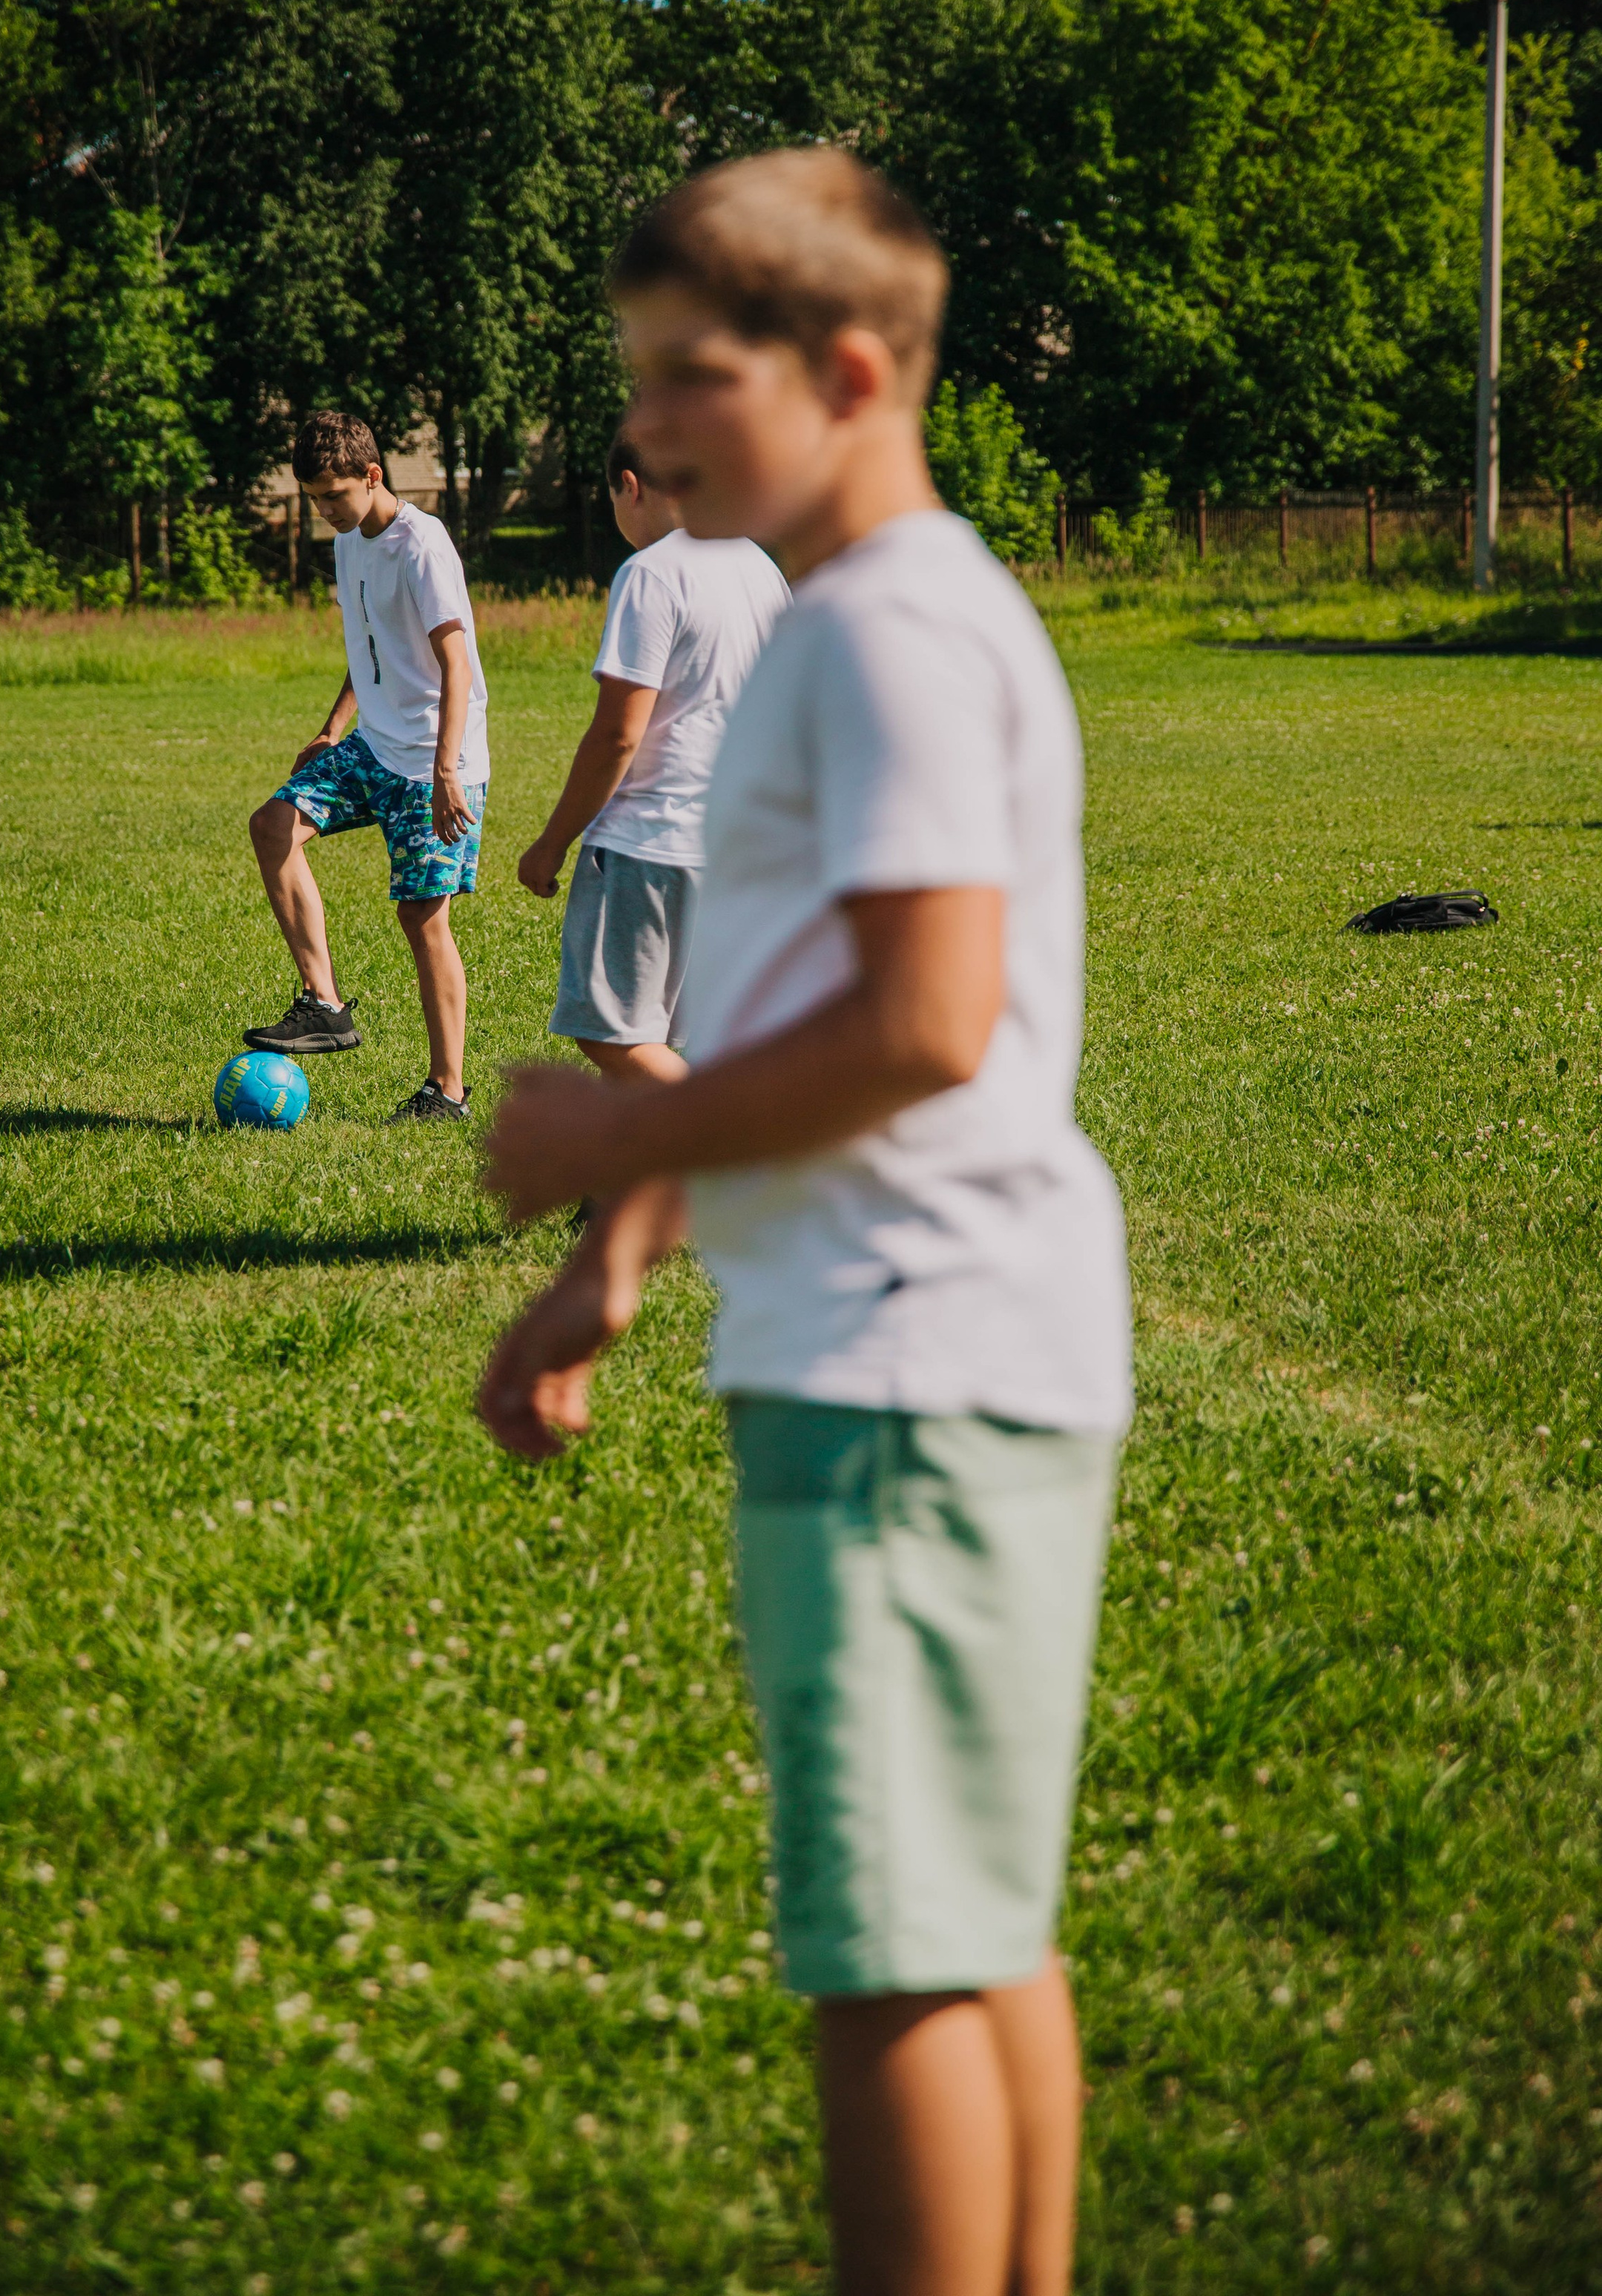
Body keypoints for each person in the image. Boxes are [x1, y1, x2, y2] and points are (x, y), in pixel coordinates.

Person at [475, 150, 1133, 2296]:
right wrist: (618, 1261)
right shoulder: (861, 621)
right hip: (928, 1355)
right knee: (974, 1931)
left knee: (896, 1968)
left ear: (850, 369)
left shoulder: (896, 631)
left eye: (690, 380)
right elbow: (797, 1011)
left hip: (902, 1370)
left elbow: (929, 1022)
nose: (650, 431)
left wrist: (588, 1140)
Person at [518, 426, 789, 1087]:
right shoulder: (760, 566)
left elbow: (618, 735)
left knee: (610, 1035)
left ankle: (738, 1147)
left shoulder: (651, 573)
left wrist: (552, 842)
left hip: (651, 844)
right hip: (735, 845)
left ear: (631, 486)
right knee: (671, 1041)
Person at [245, 409, 489, 1124]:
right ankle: (324, 1005)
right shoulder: (351, 540)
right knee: (273, 827)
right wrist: (331, 729)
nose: (324, 512)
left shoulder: (423, 546)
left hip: (430, 762)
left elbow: (456, 661)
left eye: (332, 496)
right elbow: (372, 648)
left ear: (372, 475)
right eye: (314, 499)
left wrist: (447, 771)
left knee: (423, 919)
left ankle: (447, 1092)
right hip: (373, 745)